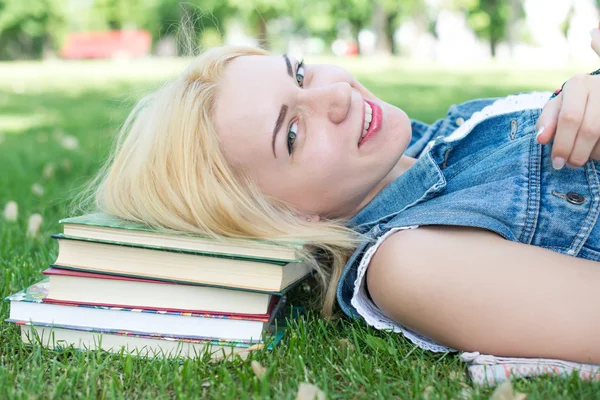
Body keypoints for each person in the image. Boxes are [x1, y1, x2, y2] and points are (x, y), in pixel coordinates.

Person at [80, 30, 600, 365]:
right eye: (291, 134)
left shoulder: (450, 134)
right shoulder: (407, 263)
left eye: (300, 73)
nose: (335, 96)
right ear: (282, 218)